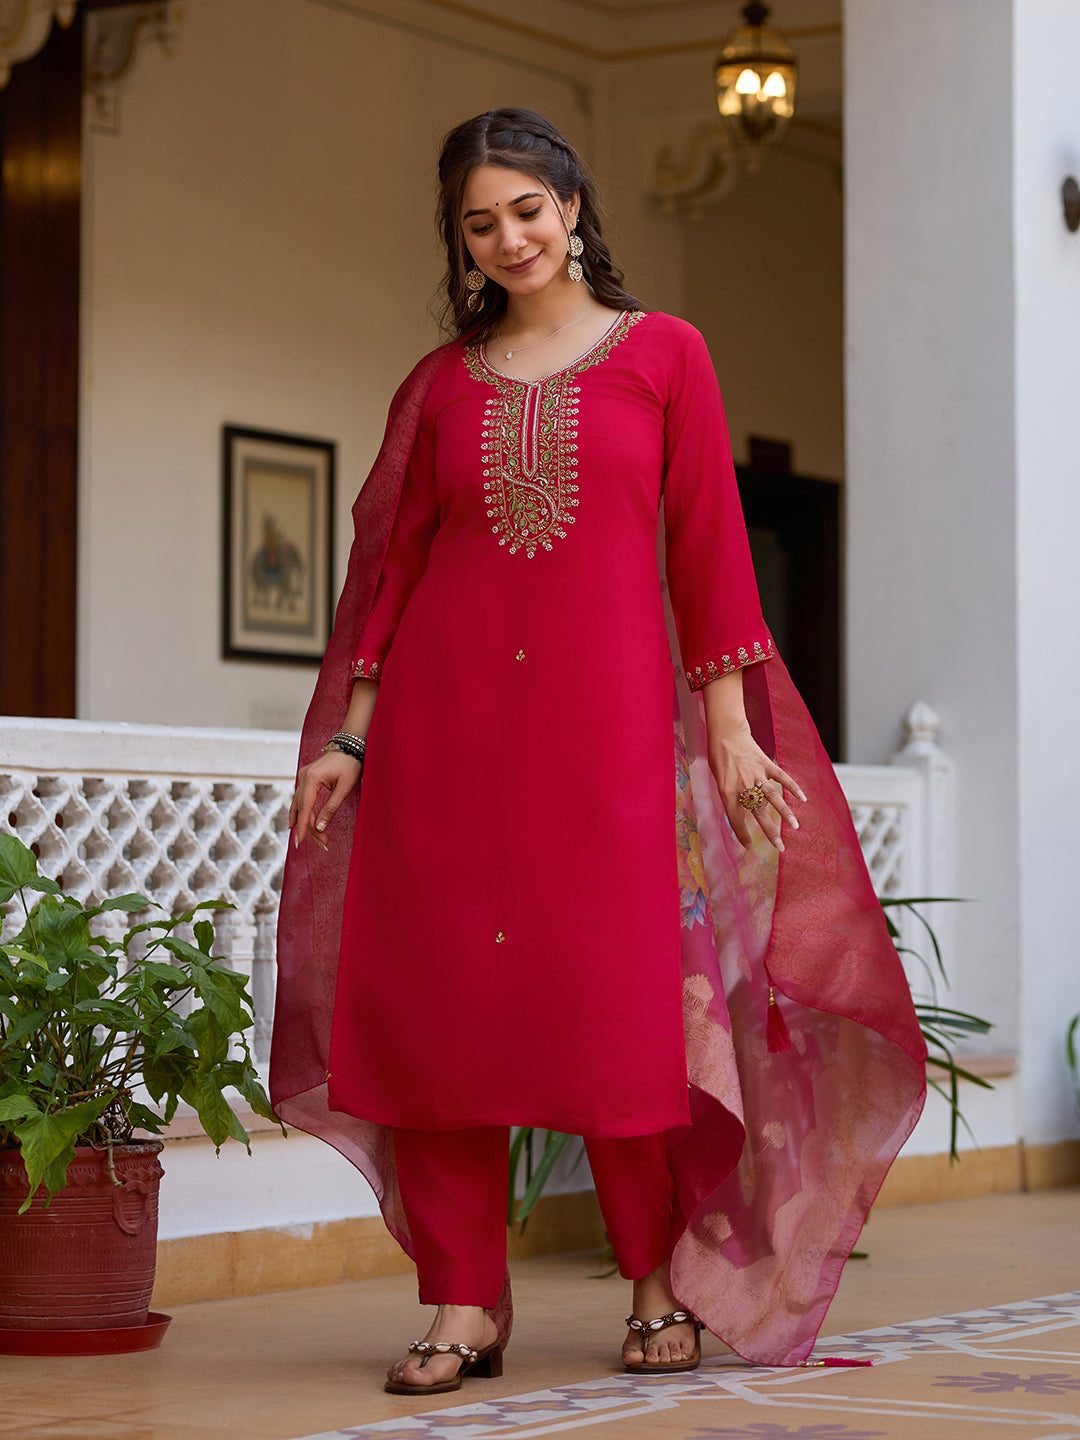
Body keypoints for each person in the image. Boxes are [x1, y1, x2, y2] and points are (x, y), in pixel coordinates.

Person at [271, 108, 926, 1397]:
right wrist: (347, 733)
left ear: (573, 208)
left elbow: (710, 554)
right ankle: (463, 1301)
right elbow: (388, 574)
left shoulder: (665, 356)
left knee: (622, 1011)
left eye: (529, 208)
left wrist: (732, 739)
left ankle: (654, 1276)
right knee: (440, 1013)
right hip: (445, 734)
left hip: (609, 736)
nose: (509, 236)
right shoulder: (438, 386)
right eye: (480, 220)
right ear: (458, 239)